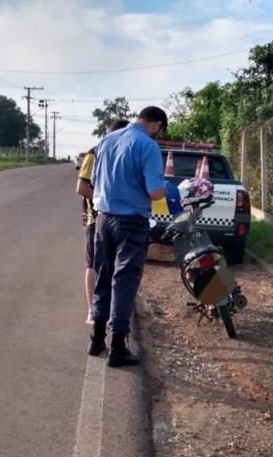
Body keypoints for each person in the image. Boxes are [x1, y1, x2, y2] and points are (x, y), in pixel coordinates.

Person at [88, 106, 168, 367]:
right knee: (124, 282)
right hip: (132, 222)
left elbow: (96, 181)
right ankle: (118, 346)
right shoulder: (147, 146)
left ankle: (97, 339)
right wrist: (167, 187)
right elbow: (155, 192)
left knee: (103, 276)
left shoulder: (107, 140)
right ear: (156, 125)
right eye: (160, 131)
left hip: (103, 220)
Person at [75, 119, 130, 324]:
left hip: (117, 218)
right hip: (95, 219)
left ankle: (111, 310)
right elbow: (81, 188)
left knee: (115, 266)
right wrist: (104, 203)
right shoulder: (95, 153)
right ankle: (93, 310)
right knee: (94, 265)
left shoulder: (119, 154)